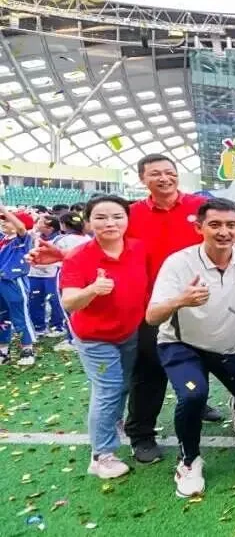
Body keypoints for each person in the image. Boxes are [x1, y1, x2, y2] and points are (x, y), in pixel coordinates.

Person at [145, 198, 235, 497]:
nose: (224, 232)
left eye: (231, 225)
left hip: (228, 344)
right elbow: (152, 316)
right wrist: (181, 300)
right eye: (215, 225)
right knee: (193, 395)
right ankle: (189, 461)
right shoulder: (179, 263)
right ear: (199, 227)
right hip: (182, 344)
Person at [125, 154, 208, 464]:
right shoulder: (131, 214)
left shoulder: (199, 206)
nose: (164, 178)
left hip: (198, 299)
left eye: (169, 172)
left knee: (201, 356)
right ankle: (141, 434)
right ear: (142, 179)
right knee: (150, 370)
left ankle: (198, 402)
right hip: (153, 304)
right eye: (155, 174)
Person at [60, 196, 148, 479]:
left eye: (117, 216)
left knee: (123, 385)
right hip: (95, 338)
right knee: (108, 389)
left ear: (127, 220)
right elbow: (69, 301)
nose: (110, 223)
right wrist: (92, 290)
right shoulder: (78, 257)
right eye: (100, 217)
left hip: (129, 331)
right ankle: (101, 455)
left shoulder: (138, 247)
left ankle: (111, 423)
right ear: (88, 222)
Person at [0, 205, 36, 365]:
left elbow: (21, 228)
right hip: (1, 282)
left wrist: (3, 209)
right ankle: (3, 350)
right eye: (2, 220)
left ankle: (27, 349)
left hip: (14, 281)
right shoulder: (3, 239)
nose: (3, 222)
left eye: (7, 220)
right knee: (2, 316)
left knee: (20, 315)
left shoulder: (22, 240)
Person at [53, 210, 93, 353]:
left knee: (68, 307)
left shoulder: (61, 240)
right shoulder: (87, 238)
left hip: (66, 273)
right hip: (87, 275)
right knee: (84, 306)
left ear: (63, 224)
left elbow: (53, 256)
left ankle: (73, 339)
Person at [28, 214, 65, 338]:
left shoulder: (59, 239)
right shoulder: (34, 236)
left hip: (52, 274)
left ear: (50, 227)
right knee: (35, 299)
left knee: (54, 300)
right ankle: (39, 327)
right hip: (34, 273)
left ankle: (57, 326)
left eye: (40, 222)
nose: (37, 223)